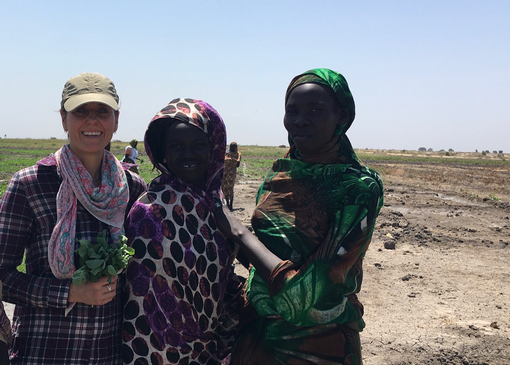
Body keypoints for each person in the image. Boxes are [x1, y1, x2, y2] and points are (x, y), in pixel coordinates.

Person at [215, 68, 384, 364]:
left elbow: (302, 301)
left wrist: (238, 233)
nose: (300, 120)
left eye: (316, 110)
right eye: (291, 111)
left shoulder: (357, 188)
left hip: (319, 347)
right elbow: (269, 255)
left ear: (342, 116)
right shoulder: (281, 171)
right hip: (256, 341)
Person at [0, 72, 147, 364]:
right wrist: (69, 292)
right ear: (64, 119)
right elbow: (2, 276)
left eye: (102, 111)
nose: (92, 120)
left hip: (109, 353)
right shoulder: (30, 184)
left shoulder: (132, 189)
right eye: (81, 110)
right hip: (45, 351)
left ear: (116, 120)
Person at [122, 98, 244, 364]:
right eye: (176, 146)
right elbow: (142, 290)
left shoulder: (214, 201)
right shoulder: (149, 209)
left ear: (213, 148)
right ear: (162, 152)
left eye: (198, 145)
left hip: (210, 345)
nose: (188, 154)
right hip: (154, 347)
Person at [221, 142, 242, 211]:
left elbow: (238, 164)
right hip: (225, 173)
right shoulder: (226, 153)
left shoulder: (238, 154)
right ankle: (227, 204)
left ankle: (231, 205)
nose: (232, 148)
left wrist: (232, 160)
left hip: (231, 173)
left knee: (230, 188)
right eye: (232, 146)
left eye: (234, 146)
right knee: (224, 188)